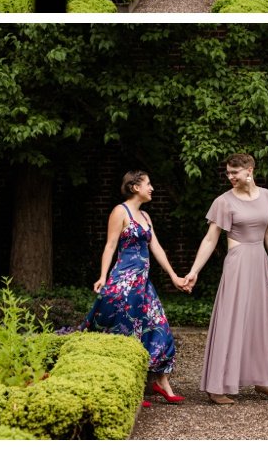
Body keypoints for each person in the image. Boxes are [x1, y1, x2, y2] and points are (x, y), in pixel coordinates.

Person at [180, 153, 268, 403]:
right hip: (238, 263)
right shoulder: (223, 202)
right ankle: (216, 386)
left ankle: (265, 382)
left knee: (262, 323)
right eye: (228, 173)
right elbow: (210, 239)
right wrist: (194, 270)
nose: (230, 177)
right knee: (231, 321)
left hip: (260, 262)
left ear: (250, 170)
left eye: (235, 172)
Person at [85, 170, 190, 407]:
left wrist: (174, 276)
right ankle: (130, 390)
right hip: (124, 282)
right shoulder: (119, 212)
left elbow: (157, 248)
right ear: (135, 187)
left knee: (159, 327)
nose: (152, 188)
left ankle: (162, 382)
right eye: (148, 184)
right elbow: (110, 246)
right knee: (125, 332)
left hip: (143, 283)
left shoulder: (145, 216)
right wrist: (103, 276)